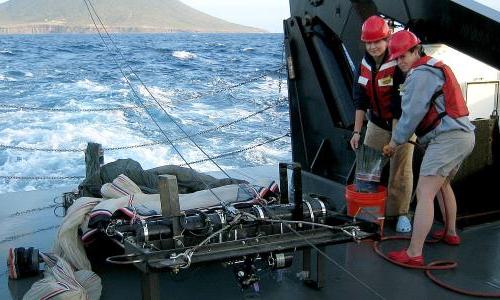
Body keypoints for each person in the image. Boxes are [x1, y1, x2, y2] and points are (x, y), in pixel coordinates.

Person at [383, 30, 475, 265]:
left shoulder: (420, 75)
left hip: (449, 138)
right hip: (464, 136)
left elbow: (412, 115)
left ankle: (413, 254)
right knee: (442, 184)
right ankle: (451, 233)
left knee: (425, 192)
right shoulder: (433, 67)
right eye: (397, 58)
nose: (400, 61)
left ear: (416, 50)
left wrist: (394, 142)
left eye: (404, 55)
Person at [351, 15, 414, 232]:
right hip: (377, 123)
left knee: (400, 170)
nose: (373, 46)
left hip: (402, 123)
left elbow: (399, 104)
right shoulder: (363, 66)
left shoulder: (398, 64)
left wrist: (396, 140)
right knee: (367, 167)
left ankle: (401, 214)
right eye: (369, 42)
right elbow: (360, 99)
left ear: (387, 40)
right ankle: (367, 208)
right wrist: (357, 132)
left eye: (378, 41)